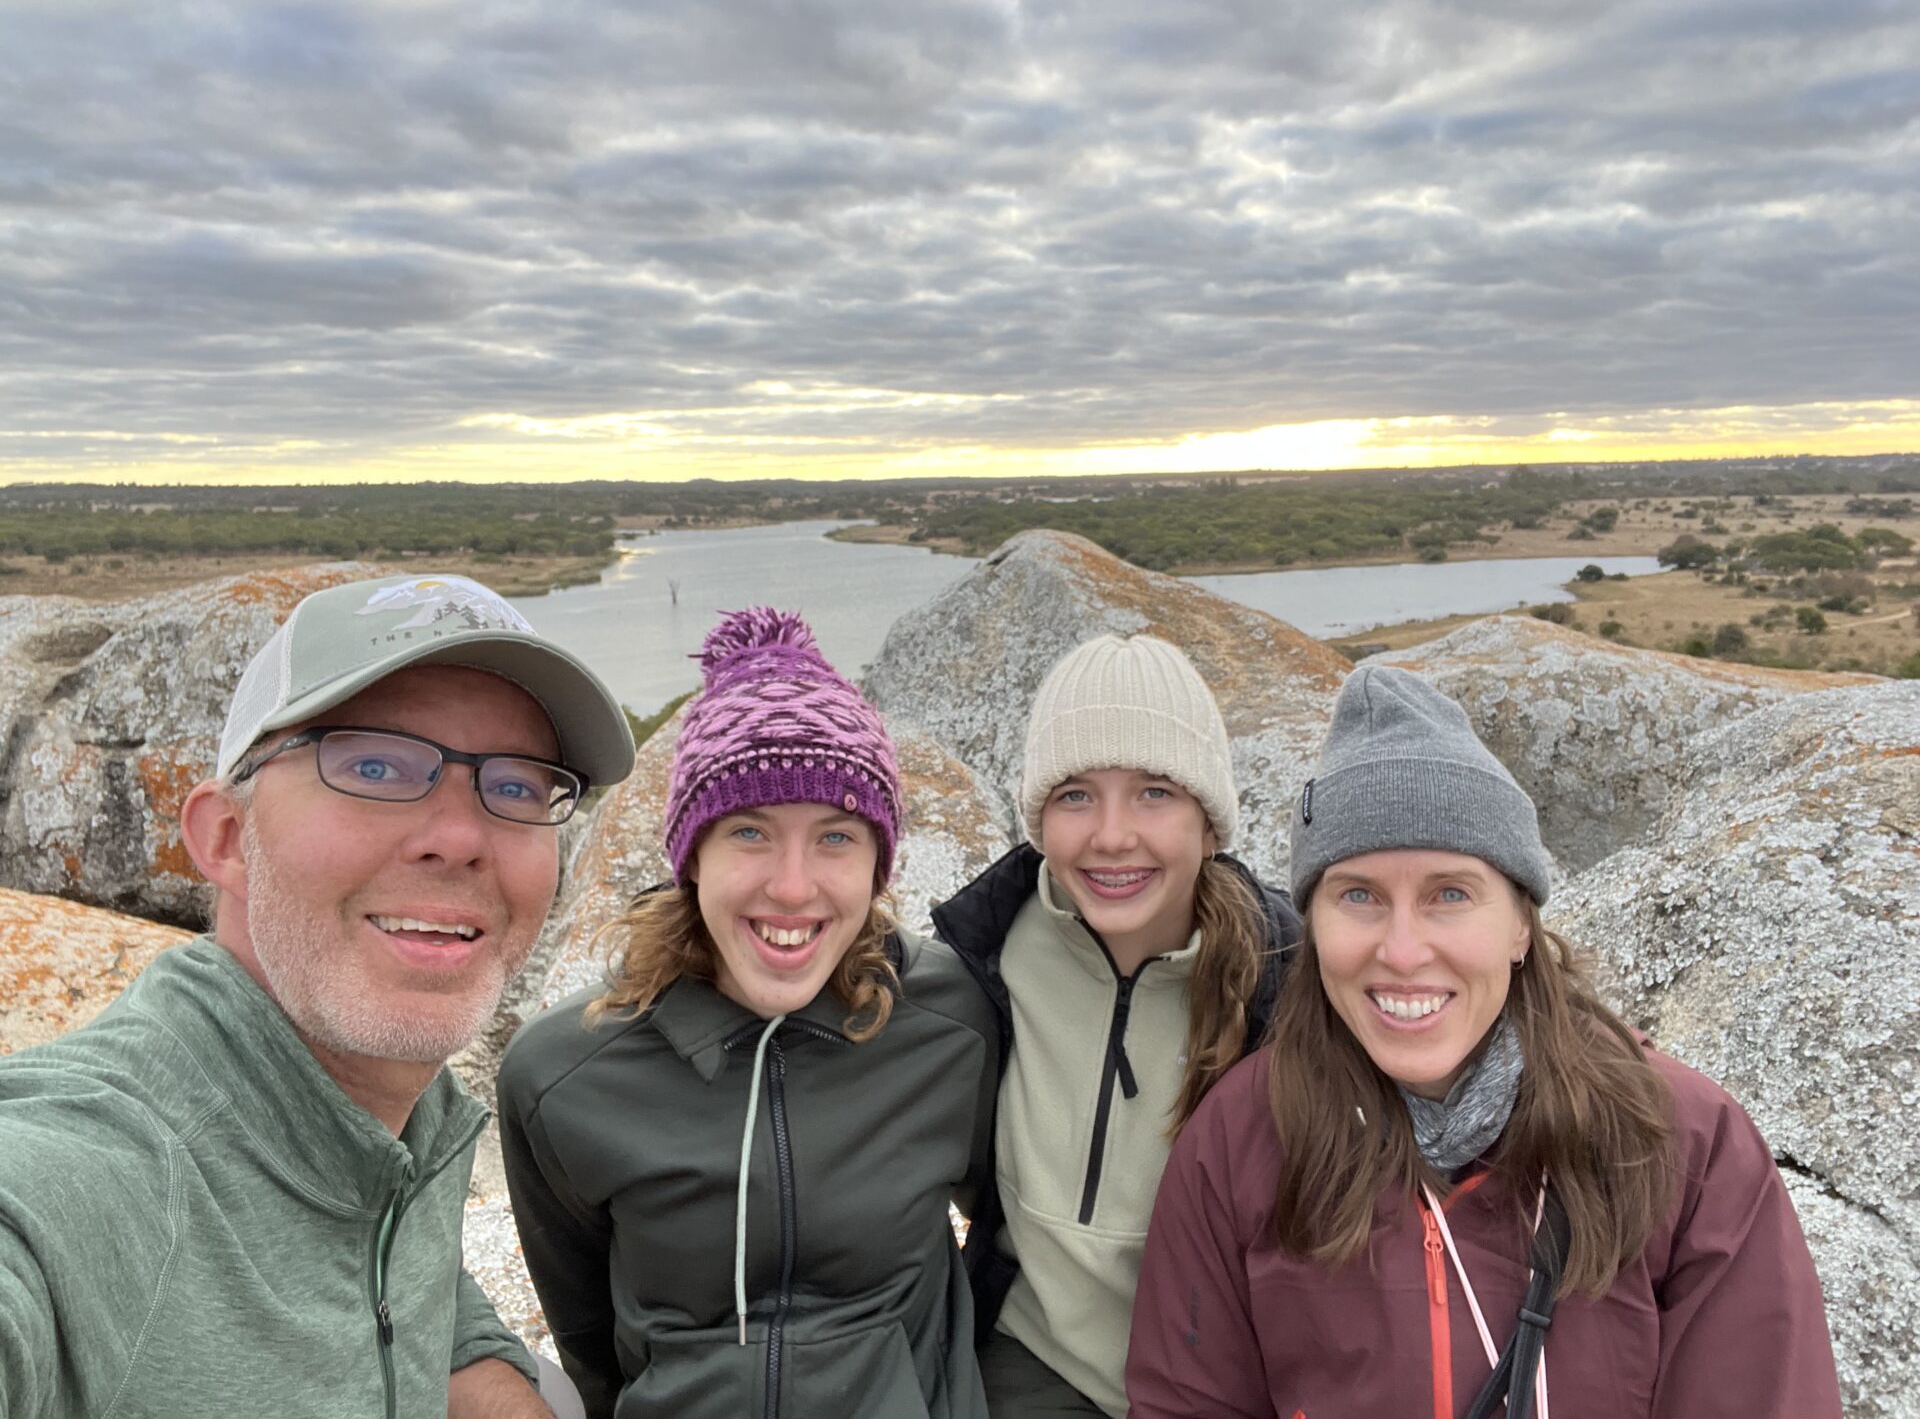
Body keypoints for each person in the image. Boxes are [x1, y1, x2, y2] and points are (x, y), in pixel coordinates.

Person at [1127, 665, 1844, 1418]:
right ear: (1314, 921)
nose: (1402, 951)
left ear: (1521, 924)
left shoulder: (1682, 1143)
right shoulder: (1238, 1144)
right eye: (1359, 895)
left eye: (1451, 894)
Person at [0, 572, 637, 1418]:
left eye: (517, 786)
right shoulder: (88, 1179)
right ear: (225, 837)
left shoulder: (404, 1110)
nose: (458, 836)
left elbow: (405, 1285)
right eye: (374, 765)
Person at [497, 608, 999, 1419]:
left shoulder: (950, 1023)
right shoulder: (563, 1076)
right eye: (751, 832)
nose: (793, 887)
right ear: (692, 857)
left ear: (879, 865)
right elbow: (591, 1341)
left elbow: (1005, 1243)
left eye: (836, 837)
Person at [930, 633, 1298, 1417]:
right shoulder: (985, 953)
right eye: (1075, 795)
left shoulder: (1286, 977)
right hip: (1030, 1356)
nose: (1111, 834)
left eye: (1154, 792)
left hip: (1222, 1378)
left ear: (1210, 821)